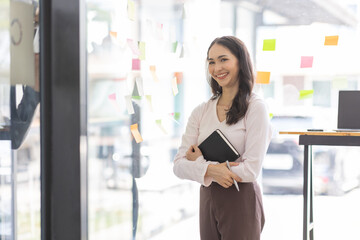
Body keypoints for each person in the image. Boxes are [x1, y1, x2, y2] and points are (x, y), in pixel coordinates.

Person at [173, 36, 272, 240]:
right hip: (208, 196)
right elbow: (179, 165)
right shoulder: (201, 111)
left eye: (223, 59)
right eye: (211, 62)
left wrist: (202, 165)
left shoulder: (255, 108)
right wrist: (210, 169)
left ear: (240, 61)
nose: (217, 67)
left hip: (240, 198)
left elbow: (251, 170)